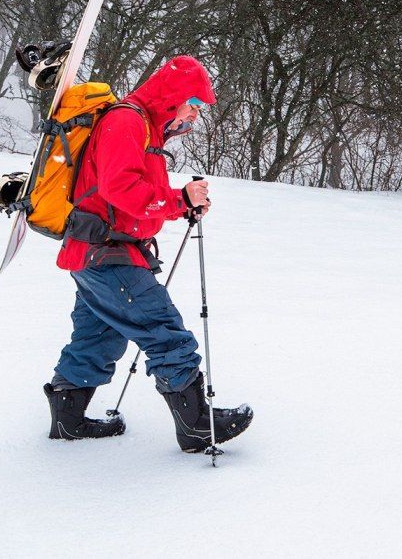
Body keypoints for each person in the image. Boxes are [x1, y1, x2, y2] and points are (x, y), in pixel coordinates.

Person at [43, 55, 253, 452]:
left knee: (98, 336)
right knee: (164, 332)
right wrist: (178, 200)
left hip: (95, 252)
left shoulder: (144, 129)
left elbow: (130, 200)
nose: (193, 117)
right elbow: (119, 188)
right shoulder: (127, 122)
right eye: (193, 106)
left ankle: (68, 420)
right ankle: (196, 427)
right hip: (109, 254)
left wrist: (180, 204)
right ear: (173, 97)